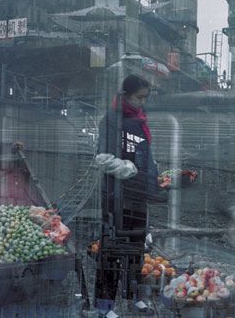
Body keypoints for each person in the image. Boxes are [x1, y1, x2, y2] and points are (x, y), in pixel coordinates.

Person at [93, 74, 166, 317]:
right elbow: (102, 158)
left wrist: (155, 177)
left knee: (136, 248)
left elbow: (145, 155)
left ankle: (135, 296)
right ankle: (105, 305)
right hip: (116, 195)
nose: (142, 103)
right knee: (112, 249)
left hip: (138, 195)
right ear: (125, 95)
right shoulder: (112, 120)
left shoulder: (140, 120)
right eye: (139, 97)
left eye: (145, 98)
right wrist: (128, 168)